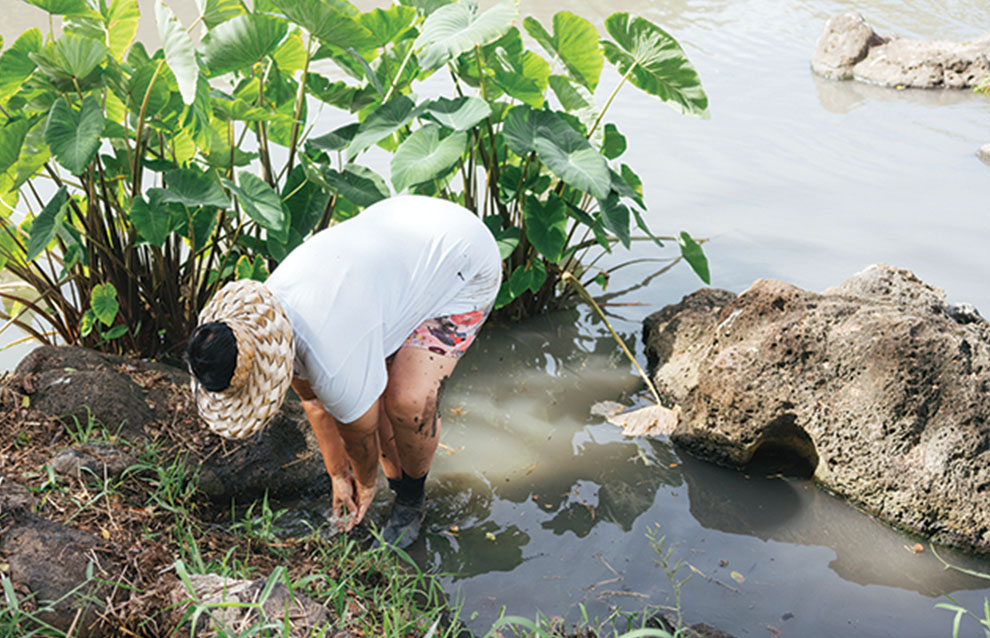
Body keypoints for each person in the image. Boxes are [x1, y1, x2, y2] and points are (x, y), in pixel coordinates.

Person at [185, 195, 502, 548]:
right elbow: (315, 403)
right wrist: (338, 475)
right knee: (369, 397)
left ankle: (412, 500)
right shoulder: (264, 323)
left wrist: (366, 486)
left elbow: (360, 437)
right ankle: (400, 484)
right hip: (405, 242)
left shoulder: (327, 357)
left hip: (462, 262)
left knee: (406, 403)